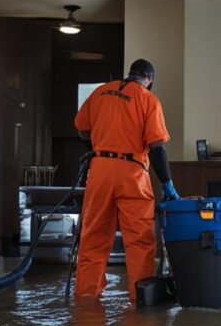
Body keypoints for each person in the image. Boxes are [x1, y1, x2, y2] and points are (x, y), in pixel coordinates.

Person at [74, 58, 181, 301]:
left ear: (130, 74)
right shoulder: (148, 99)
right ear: (149, 81)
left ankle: (86, 301)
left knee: (93, 237)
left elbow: (82, 129)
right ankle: (140, 301)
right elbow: (156, 148)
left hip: (100, 170)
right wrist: (167, 183)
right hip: (132, 173)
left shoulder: (101, 91)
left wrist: (104, 138)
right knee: (139, 242)